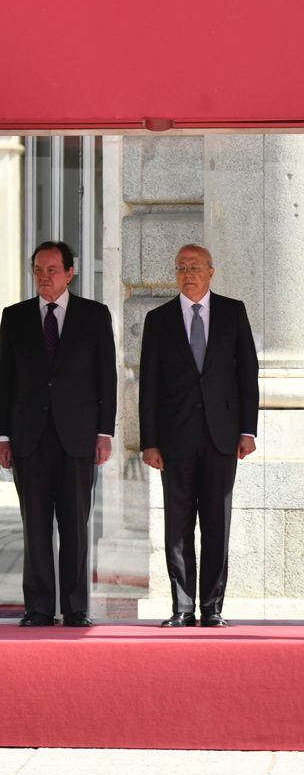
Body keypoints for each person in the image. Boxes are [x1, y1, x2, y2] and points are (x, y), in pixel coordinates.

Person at [0, 240, 117, 628]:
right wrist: (2, 437)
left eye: (51, 270)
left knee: (75, 526)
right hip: (28, 439)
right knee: (36, 527)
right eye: (38, 270)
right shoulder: (14, 317)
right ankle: (39, 608)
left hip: (78, 438)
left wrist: (104, 432)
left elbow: (106, 378)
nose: (43, 277)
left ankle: (76, 606)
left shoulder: (94, 316)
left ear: (70, 273)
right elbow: (5, 381)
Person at [139, 243, 259, 628]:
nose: (187, 273)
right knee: (177, 525)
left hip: (222, 437)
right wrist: (149, 441)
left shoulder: (233, 312)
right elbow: (149, 387)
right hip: (174, 440)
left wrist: (247, 430)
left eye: (195, 267)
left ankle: (212, 607)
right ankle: (182, 606)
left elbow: (247, 377)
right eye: (181, 267)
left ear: (211, 272)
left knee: (216, 521)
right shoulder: (158, 320)